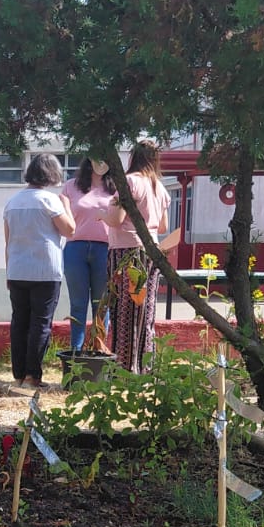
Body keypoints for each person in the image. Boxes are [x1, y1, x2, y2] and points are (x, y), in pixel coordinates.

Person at [3, 153, 75, 391]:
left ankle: (19, 374)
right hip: (45, 269)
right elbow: (70, 230)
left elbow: (8, 240)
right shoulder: (50, 200)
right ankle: (33, 375)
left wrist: (7, 272)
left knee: (19, 322)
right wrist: (67, 206)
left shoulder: (12, 202)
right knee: (40, 324)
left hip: (17, 268)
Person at [102, 139, 171, 373]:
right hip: (151, 252)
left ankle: (123, 366)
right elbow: (163, 227)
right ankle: (144, 365)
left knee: (123, 309)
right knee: (146, 309)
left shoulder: (129, 182)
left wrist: (102, 214)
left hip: (125, 252)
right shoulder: (159, 187)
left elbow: (116, 219)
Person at [60, 156, 115, 354]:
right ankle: (76, 351)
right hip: (76, 248)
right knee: (78, 304)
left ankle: (99, 348)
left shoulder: (116, 188)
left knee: (101, 305)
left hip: (105, 249)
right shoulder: (70, 186)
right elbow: (63, 215)